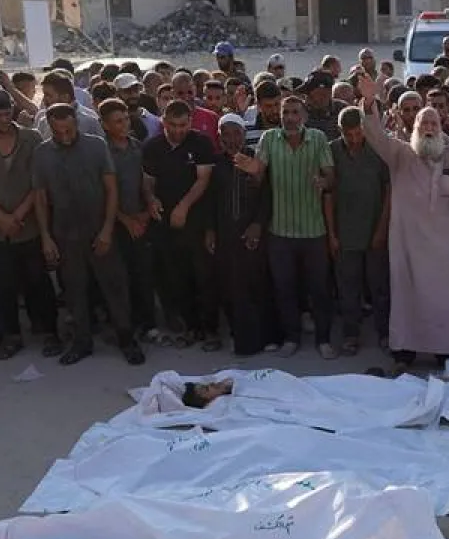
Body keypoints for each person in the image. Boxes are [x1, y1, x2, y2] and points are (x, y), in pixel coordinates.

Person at [356, 73, 449, 364]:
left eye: (432, 124)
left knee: (446, 304)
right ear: (413, 128)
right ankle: (406, 351)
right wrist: (369, 100)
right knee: (409, 300)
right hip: (410, 249)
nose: (427, 128)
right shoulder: (399, 154)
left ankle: (445, 351)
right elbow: (374, 134)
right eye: (422, 124)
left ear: (442, 128)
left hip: (448, 253)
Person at [31, 104, 144, 366]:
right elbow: (40, 197)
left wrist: (106, 229)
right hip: (65, 233)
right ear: (50, 127)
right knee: (74, 291)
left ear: (76, 124)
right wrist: (46, 236)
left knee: (115, 288)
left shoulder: (96, 146)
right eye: (58, 132)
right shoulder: (42, 154)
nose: (65, 136)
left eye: (69, 130)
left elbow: (111, 189)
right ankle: (82, 342)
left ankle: (127, 339)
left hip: (99, 229)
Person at [0, 89, 57, 359]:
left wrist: (17, 215)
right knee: (3, 284)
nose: (4, 120)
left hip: (28, 222)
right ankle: (11, 335)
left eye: (7, 113)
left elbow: (38, 182)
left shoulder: (31, 138)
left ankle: (49, 332)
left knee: (38, 281)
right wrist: (0, 216)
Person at [255, 95, 336, 358]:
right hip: (280, 231)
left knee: (319, 289)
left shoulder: (318, 139)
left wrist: (324, 182)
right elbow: (258, 172)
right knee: (284, 288)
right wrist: (251, 170)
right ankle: (291, 337)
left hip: (314, 230)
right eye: (285, 112)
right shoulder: (268, 139)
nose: (290, 117)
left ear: (304, 116)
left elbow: (331, 176)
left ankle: (323, 339)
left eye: (294, 112)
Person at [143, 100, 218, 348]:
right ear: (163, 122)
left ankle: (210, 328)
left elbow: (203, 180)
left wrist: (183, 207)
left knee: (203, 276)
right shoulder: (153, 147)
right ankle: (189, 325)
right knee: (176, 276)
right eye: (172, 125)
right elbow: (148, 180)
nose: (178, 130)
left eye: (183, 125)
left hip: (195, 220)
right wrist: (150, 198)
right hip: (164, 223)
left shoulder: (201, 143)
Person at [205, 113, 273, 356]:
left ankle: (261, 338)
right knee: (231, 286)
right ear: (220, 136)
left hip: (252, 233)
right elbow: (210, 201)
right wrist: (211, 230)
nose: (232, 139)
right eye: (227, 134)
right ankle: (241, 339)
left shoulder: (257, 161)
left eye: (237, 133)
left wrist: (257, 224)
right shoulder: (216, 163)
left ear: (245, 135)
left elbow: (267, 196)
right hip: (226, 234)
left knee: (257, 284)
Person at [327, 106, 391, 355]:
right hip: (345, 233)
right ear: (340, 131)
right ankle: (351, 334)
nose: (353, 139)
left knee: (379, 287)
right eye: (348, 134)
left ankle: (385, 332)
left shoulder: (378, 149)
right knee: (347, 288)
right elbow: (328, 195)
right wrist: (331, 234)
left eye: (357, 133)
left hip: (374, 230)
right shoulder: (332, 151)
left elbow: (389, 192)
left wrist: (382, 229)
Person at [100, 99, 159, 340]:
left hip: (139, 220)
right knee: (118, 278)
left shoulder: (136, 147)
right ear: (105, 125)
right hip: (115, 224)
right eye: (118, 121)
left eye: (126, 119)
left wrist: (147, 210)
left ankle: (148, 322)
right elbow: (103, 194)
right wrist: (125, 220)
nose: (124, 124)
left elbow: (143, 182)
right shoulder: (101, 152)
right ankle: (124, 325)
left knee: (142, 274)